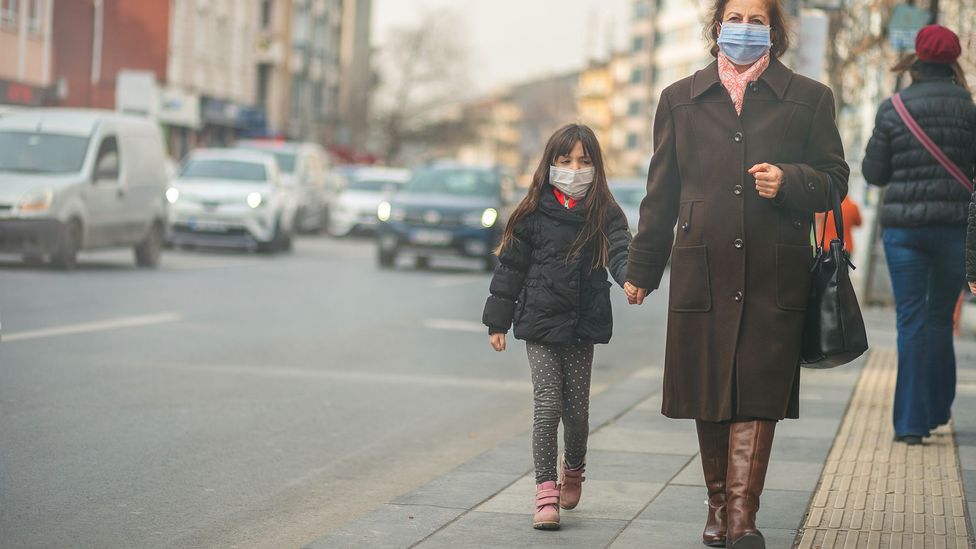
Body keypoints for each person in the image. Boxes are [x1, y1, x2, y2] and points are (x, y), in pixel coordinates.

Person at [622, 0, 850, 546]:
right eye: (736, 18)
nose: (745, 29)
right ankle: (718, 506)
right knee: (709, 386)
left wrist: (791, 181)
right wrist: (643, 268)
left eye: (757, 20)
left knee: (758, 388)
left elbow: (835, 179)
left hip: (776, 268)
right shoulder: (679, 99)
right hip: (703, 265)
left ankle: (743, 517)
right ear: (716, 26)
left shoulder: (809, 98)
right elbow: (661, 193)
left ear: (775, 31)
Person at [481, 123, 631, 530]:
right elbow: (510, 267)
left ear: (597, 167)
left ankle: (575, 467)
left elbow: (620, 250)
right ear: (549, 165)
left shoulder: (605, 212)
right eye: (565, 161)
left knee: (577, 413)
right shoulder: (531, 213)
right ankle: (545, 491)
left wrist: (631, 278)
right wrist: (498, 319)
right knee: (548, 406)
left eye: (584, 161)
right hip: (539, 320)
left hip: (583, 323)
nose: (574, 168)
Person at [863, 25, 976, 446]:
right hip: (952, 230)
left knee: (910, 320)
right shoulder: (969, 108)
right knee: (939, 319)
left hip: (904, 233)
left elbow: (875, 173)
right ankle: (938, 406)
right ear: (954, 61)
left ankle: (911, 423)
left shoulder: (894, 107)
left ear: (917, 59)